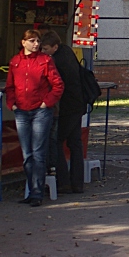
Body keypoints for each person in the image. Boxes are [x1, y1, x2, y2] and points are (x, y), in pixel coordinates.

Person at [6, 29, 63, 206]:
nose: (36, 44)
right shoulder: (15, 62)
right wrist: (12, 104)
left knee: (38, 152)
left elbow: (58, 85)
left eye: (37, 41)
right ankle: (31, 190)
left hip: (40, 111)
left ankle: (37, 193)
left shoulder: (45, 61)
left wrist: (47, 103)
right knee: (27, 154)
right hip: (22, 110)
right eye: (32, 41)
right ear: (23, 43)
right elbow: (10, 86)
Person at [40, 30, 85, 194]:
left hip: (67, 106)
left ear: (54, 46)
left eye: (45, 49)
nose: (43, 52)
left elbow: (56, 83)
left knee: (57, 141)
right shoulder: (67, 51)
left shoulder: (57, 60)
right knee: (75, 144)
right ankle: (77, 182)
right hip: (78, 103)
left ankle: (63, 180)